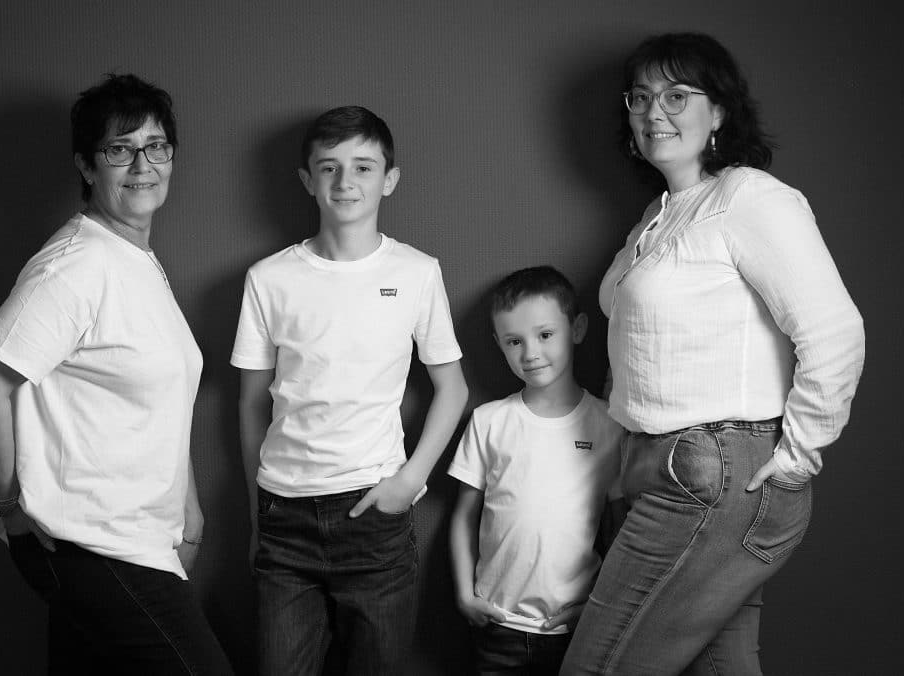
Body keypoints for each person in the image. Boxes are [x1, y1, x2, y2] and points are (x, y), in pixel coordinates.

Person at [559, 33, 866, 675]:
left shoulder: (750, 197)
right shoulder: (658, 215)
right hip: (656, 469)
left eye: (676, 95)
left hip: (718, 474)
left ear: (718, 111)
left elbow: (834, 331)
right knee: (720, 667)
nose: (653, 113)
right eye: (640, 98)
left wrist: (799, 455)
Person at [0, 74, 230, 674]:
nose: (141, 165)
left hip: (138, 541)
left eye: (155, 146)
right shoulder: (74, 266)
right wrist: (9, 508)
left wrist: (187, 504)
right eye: (118, 149)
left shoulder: (136, 260)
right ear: (86, 165)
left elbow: (156, 399)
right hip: (88, 545)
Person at [232, 105, 469, 676]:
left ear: (389, 179)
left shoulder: (416, 272)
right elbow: (249, 404)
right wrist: (255, 515)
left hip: (375, 517)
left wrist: (410, 481)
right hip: (283, 516)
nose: (346, 182)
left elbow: (453, 388)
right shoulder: (269, 278)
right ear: (307, 180)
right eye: (330, 167)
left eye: (363, 167)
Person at [449, 266, 625, 676]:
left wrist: (597, 605)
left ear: (576, 328)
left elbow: (619, 528)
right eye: (514, 341)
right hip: (497, 624)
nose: (530, 352)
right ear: (499, 344)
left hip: (574, 627)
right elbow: (462, 517)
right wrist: (463, 594)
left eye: (545, 335)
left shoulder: (609, 424)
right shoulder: (488, 421)